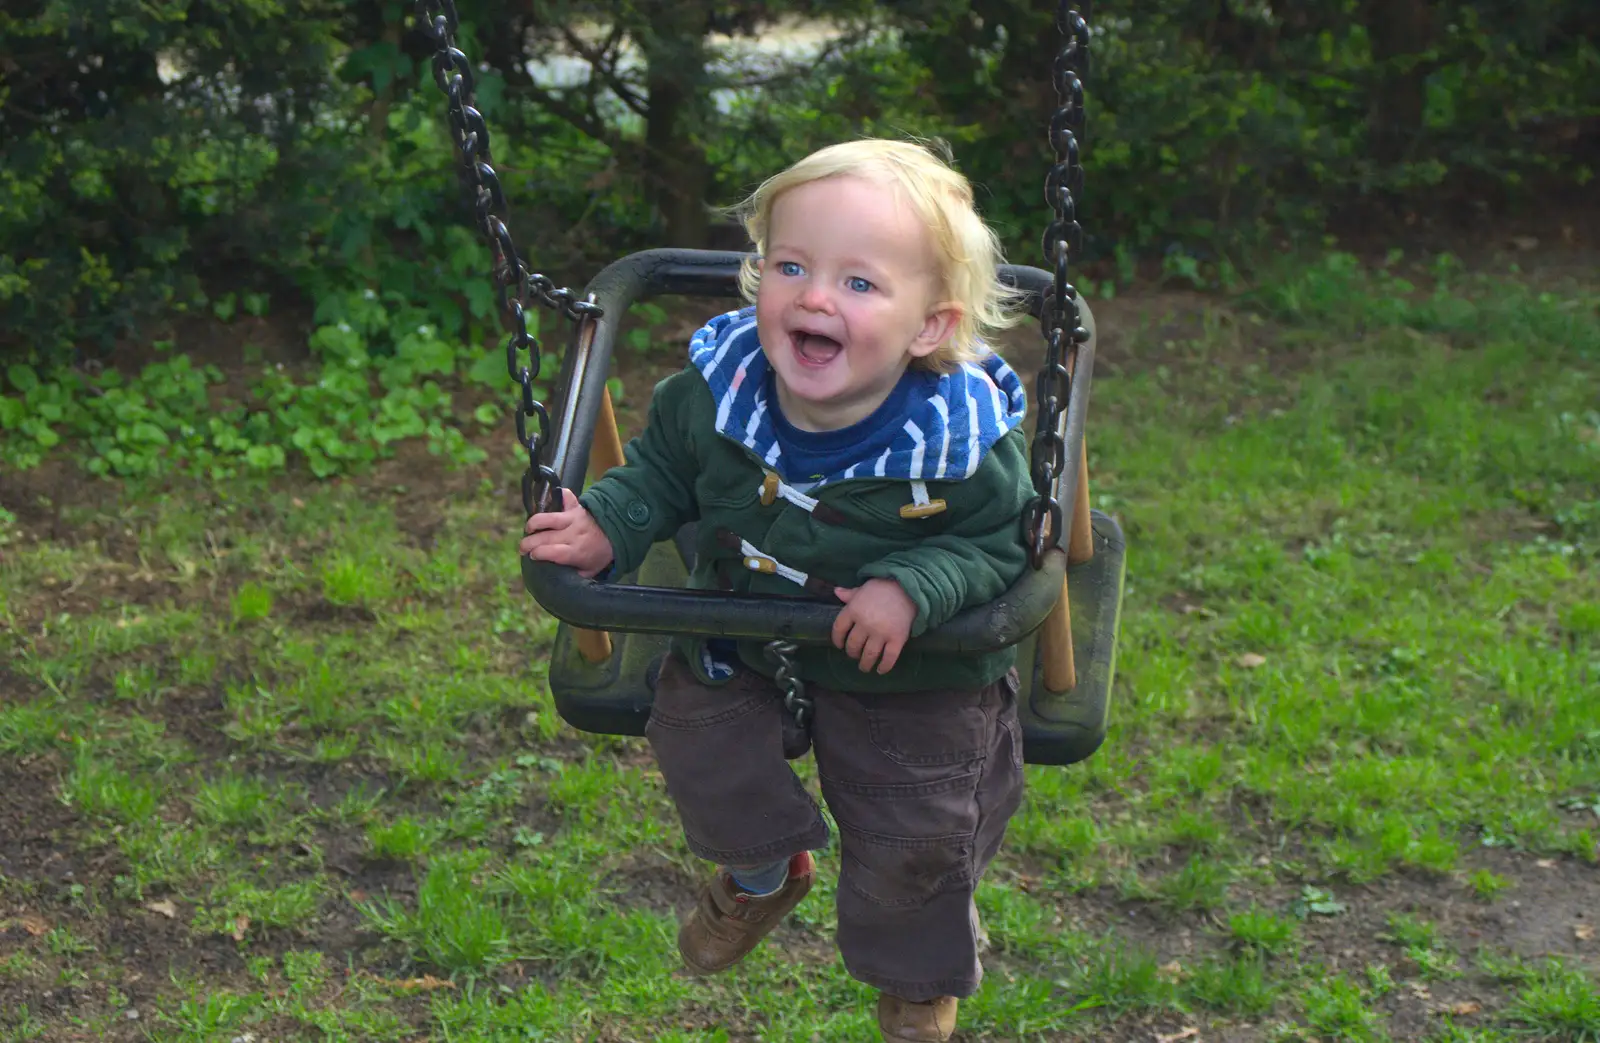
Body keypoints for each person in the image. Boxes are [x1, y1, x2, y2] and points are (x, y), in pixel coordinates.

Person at [519, 138, 1032, 1043]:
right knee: (697, 741)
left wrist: (915, 586)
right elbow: (660, 475)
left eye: (860, 284)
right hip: (742, 632)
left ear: (930, 328)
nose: (815, 296)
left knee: (917, 830)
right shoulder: (717, 398)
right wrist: (609, 521)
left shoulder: (958, 447)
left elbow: (1000, 542)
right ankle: (762, 873)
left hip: (906, 669)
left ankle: (916, 976)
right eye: (790, 265)